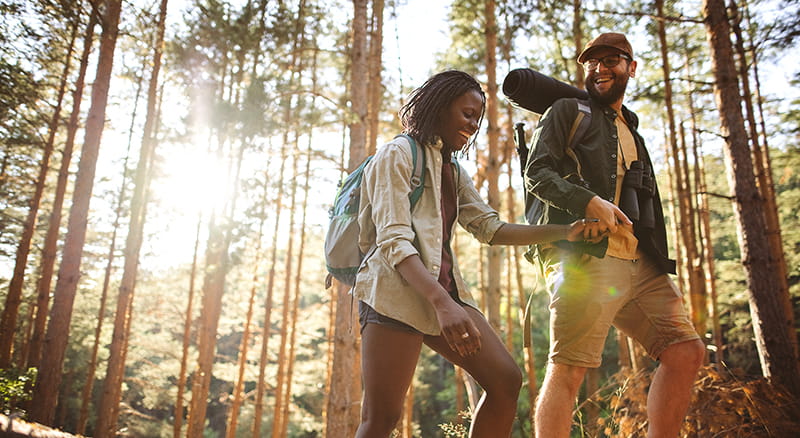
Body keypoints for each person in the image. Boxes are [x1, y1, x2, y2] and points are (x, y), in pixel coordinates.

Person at [353, 70, 589, 438]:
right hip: (393, 296)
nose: (473, 123)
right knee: (382, 418)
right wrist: (442, 304)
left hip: (445, 294)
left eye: (477, 117)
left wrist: (564, 233)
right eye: (467, 113)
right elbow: (394, 241)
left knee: (505, 381)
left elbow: (489, 228)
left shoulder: (451, 168)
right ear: (440, 108)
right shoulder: (396, 154)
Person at [524, 33, 706, 437]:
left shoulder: (631, 128)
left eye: (611, 61)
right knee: (569, 369)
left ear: (631, 67)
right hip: (587, 258)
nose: (599, 69)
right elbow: (536, 173)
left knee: (685, 351)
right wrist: (587, 200)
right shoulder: (566, 110)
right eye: (591, 63)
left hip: (640, 261)